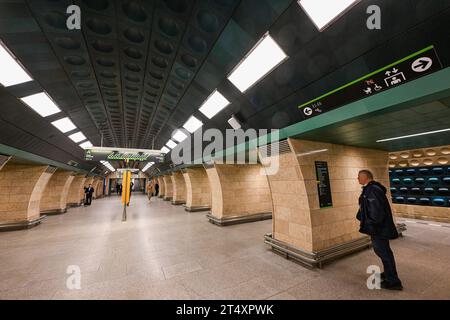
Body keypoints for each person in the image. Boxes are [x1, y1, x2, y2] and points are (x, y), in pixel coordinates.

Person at [357, 169, 403, 290]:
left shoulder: (372, 190)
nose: (357, 179)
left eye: (358, 177)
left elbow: (376, 213)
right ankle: (389, 274)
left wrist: (370, 224)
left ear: (365, 177)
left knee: (383, 252)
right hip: (379, 228)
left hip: (378, 229)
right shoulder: (373, 189)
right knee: (384, 252)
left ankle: (393, 281)